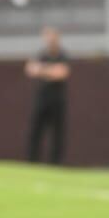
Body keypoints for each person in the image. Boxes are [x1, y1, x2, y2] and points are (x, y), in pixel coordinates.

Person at [25, 26, 70, 163]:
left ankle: (56, 164)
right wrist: (49, 71)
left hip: (57, 100)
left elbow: (61, 73)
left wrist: (42, 70)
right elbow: (30, 69)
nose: (50, 39)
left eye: (52, 36)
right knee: (35, 131)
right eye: (47, 36)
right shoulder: (41, 54)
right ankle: (32, 161)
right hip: (42, 99)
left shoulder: (62, 55)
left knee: (57, 134)